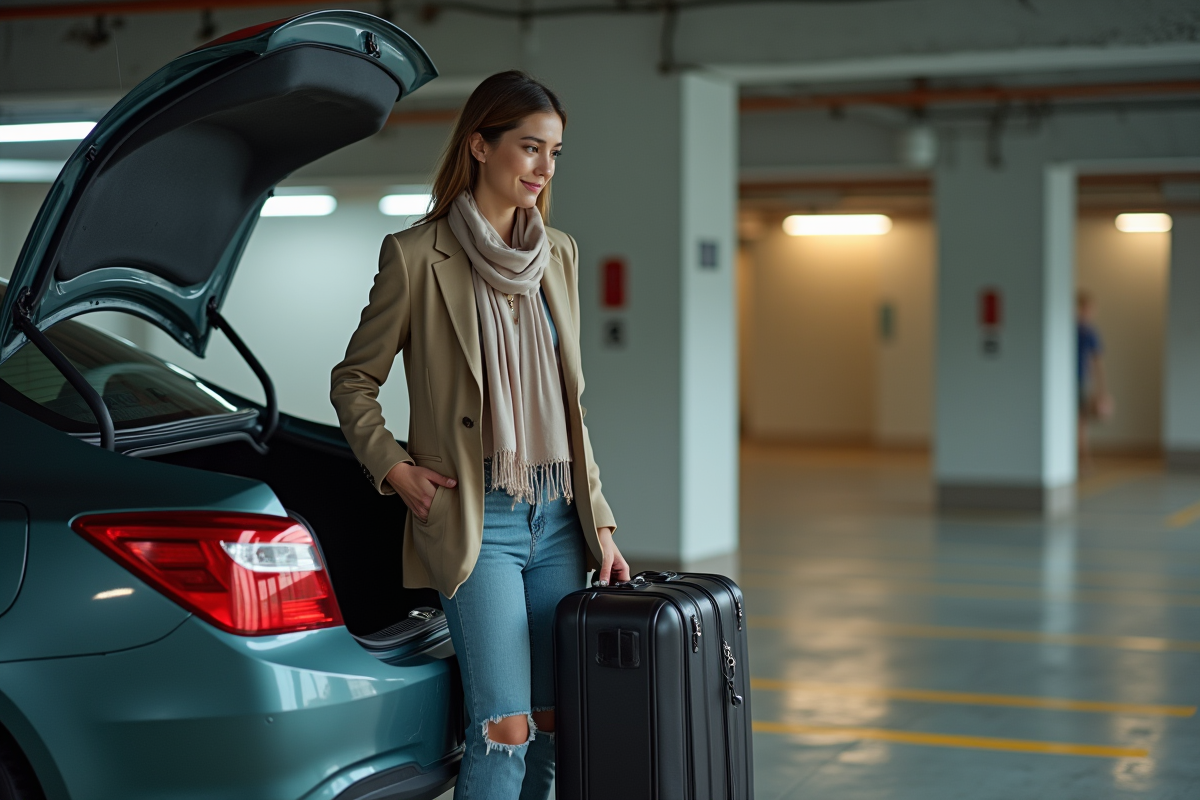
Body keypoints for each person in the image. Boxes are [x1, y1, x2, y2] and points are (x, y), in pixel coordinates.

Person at [330, 71, 629, 800]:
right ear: (480, 145)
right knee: (504, 731)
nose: (543, 168)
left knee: (555, 726)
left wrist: (605, 524)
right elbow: (353, 381)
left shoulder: (559, 254)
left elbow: (570, 408)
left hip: (558, 519)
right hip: (477, 521)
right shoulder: (416, 257)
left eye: (555, 153)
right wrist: (395, 470)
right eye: (530, 148)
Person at [1076, 291, 1112, 463]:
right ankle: (1081, 457)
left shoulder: (1089, 332)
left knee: (1081, 420)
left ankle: (1083, 457)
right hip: (1070, 381)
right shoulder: (1072, 330)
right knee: (1079, 421)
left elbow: (1097, 361)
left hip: (1082, 379)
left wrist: (1102, 388)